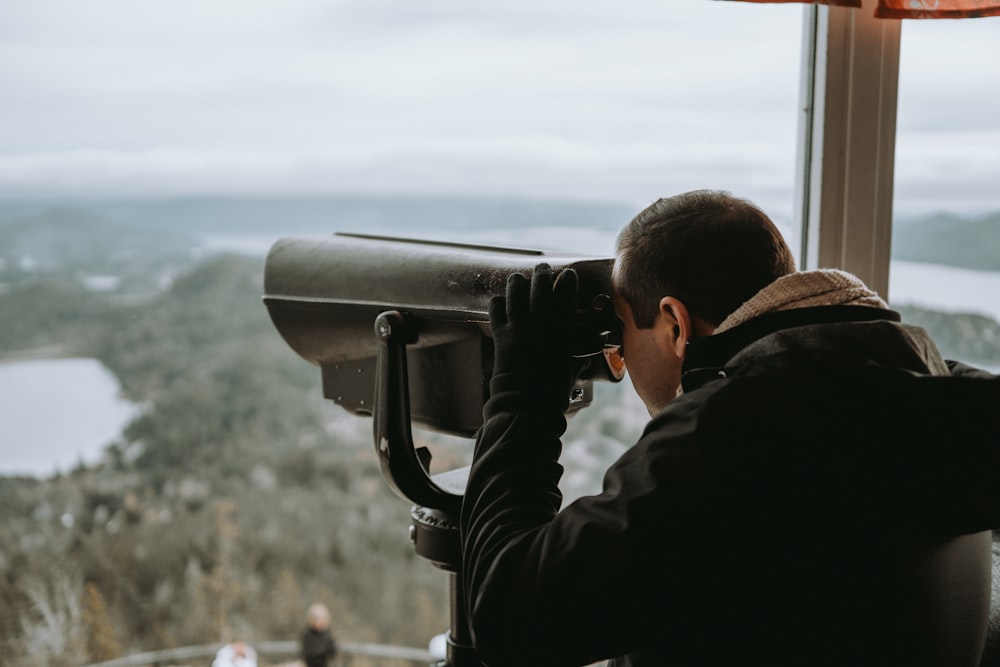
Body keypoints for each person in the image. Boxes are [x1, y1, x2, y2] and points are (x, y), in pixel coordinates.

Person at [460, 189, 1000, 666]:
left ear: (675, 323)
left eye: (620, 331)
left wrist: (523, 393)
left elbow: (508, 619)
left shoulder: (727, 437)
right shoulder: (942, 384)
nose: (618, 355)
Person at [300, 602, 338, 667]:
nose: (317, 622)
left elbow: (332, 651)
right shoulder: (308, 635)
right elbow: (305, 651)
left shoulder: (327, 635)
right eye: (315, 619)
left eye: (320, 619)